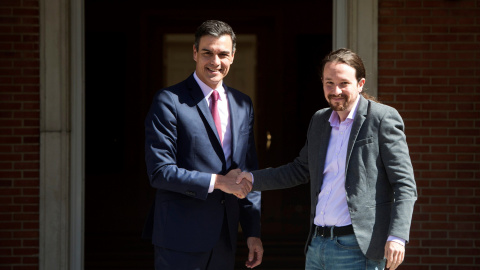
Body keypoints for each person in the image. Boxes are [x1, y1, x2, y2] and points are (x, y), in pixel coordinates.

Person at [238, 48, 417, 270]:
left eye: (344, 83)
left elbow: (405, 184)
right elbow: (300, 170)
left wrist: (397, 236)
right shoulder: (320, 120)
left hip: (357, 249)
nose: (336, 90)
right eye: (329, 83)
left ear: (360, 84)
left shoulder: (381, 118)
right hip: (317, 245)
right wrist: (251, 179)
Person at [143, 20, 263, 270]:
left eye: (223, 54)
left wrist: (252, 231)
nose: (215, 61)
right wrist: (220, 182)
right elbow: (159, 172)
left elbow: (248, 170)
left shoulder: (243, 104)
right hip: (179, 237)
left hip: (225, 237)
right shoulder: (169, 101)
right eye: (207, 52)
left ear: (233, 56)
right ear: (195, 53)